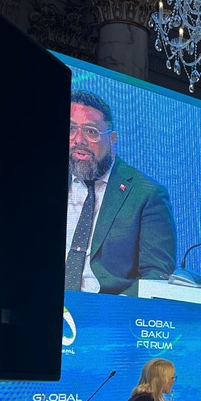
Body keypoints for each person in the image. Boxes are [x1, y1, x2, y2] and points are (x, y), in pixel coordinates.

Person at [67, 90, 177, 295]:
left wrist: (116, 308)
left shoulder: (147, 194)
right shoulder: (45, 180)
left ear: (113, 139)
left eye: (91, 131)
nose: (78, 139)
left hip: (106, 309)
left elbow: (157, 275)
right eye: (71, 128)